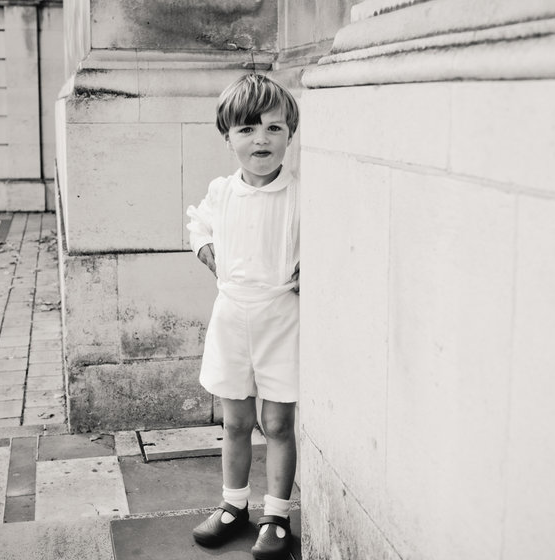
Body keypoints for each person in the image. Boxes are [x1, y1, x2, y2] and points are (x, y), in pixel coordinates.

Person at [185, 73, 301, 560]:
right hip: (232, 316)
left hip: (281, 318)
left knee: (276, 423)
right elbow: (198, 221)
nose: (262, 139)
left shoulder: (302, 194)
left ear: (289, 135)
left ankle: (276, 514)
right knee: (235, 421)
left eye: (275, 128)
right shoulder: (221, 191)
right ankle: (234, 506)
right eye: (249, 129)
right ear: (228, 136)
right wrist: (204, 246)